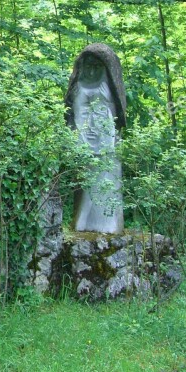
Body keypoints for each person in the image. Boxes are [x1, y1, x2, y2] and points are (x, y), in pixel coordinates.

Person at [64, 43, 127, 234]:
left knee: (105, 179)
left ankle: (107, 225)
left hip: (105, 141)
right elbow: (71, 115)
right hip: (84, 139)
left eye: (97, 67)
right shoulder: (78, 88)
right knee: (86, 180)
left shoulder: (107, 89)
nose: (91, 71)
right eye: (88, 66)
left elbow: (116, 115)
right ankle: (81, 222)